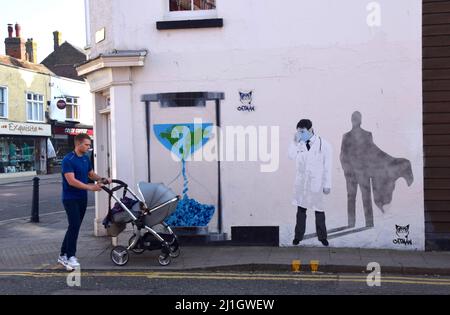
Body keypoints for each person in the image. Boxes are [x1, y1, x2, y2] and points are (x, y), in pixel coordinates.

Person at [340, 111, 414, 228]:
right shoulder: (347, 136)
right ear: (352, 120)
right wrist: (347, 170)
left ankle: (368, 223)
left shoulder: (367, 135)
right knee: (352, 197)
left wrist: (388, 161)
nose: (355, 120)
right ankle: (352, 223)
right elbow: (343, 155)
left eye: (357, 118)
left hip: (362, 172)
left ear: (360, 120)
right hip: (352, 173)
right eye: (354, 118)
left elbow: (373, 153)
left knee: (363, 197)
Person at [58, 133, 111, 271]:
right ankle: (70, 256)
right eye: (87, 145)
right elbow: (71, 180)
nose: (89, 147)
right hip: (70, 198)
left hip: (82, 198)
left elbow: (90, 174)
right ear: (78, 144)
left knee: (73, 226)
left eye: (89, 145)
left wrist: (102, 179)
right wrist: (91, 187)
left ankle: (63, 255)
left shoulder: (86, 158)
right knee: (74, 225)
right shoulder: (68, 160)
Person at [288, 119, 332, 247]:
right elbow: (290, 156)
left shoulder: (324, 145)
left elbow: (328, 166)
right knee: (301, 210)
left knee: (319, 211)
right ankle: (298, 236)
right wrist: (294, 142)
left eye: (302, 131)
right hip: (302, 183)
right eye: (299, 132)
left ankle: (322, 237)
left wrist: (327, 185)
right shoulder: (298, 143)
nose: (300, 134)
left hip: (317, 182)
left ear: (311, 129)